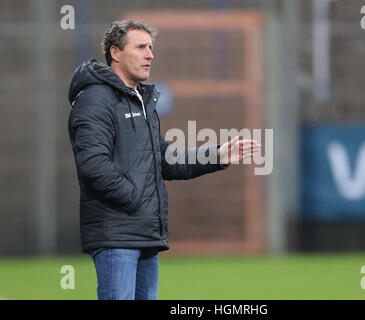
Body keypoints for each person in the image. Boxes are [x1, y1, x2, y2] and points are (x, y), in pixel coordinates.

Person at [67, 20, 261, 300]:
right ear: (116, 53)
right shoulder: (96, 99)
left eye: (151, 48)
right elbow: (93, 164)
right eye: (141, 47)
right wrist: (135, 199)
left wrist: (216, 154)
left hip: (144, 232)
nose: (150, 55)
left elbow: (165, 161)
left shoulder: (140, 101)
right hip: (117, 235)